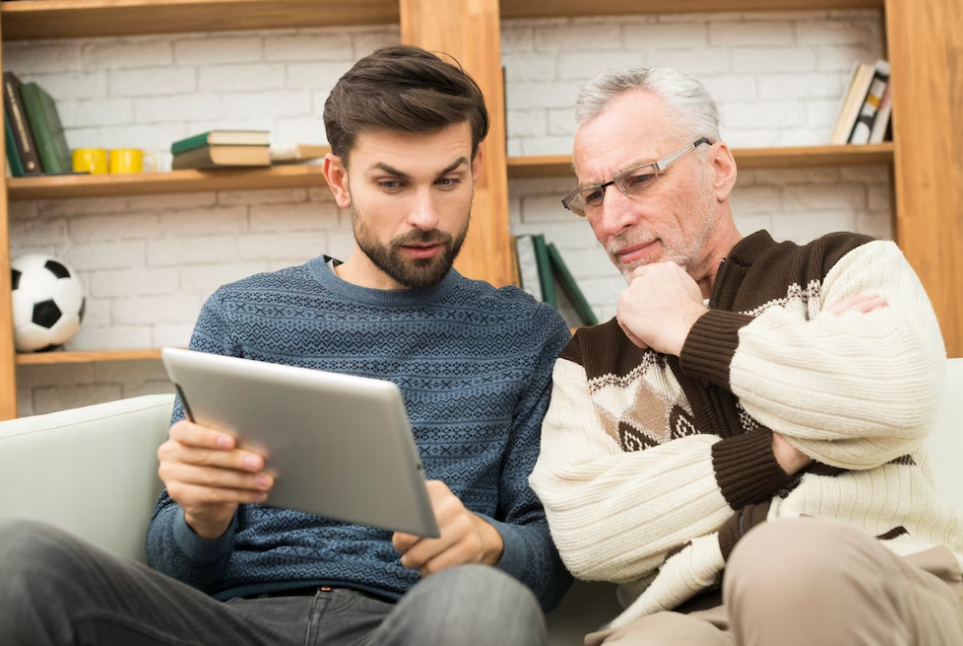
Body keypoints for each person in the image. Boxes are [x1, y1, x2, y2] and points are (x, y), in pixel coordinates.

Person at [0, 45, 572, 646]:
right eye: (392, 183)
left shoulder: (528, 334)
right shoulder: (242, 314)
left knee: (485, 602)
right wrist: (203, 517)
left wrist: (490, 543)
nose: (425, 215)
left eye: (448, 180)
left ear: (476, 168)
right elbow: (175, 562)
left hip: (415, 624)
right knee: (19, 558)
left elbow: (550, 566)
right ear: (339, 180)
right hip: (228, 624)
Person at [529, 67, 963, 646]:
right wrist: (791, 439)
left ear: (719, 169)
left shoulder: (844, 268)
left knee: (780, 563)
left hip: (877, 575)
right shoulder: (588, 360)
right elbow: (586, 533)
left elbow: (897, 398)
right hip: (690, 612)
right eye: (593, 195)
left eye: (639, 178)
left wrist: (689, 327)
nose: (612, 220)